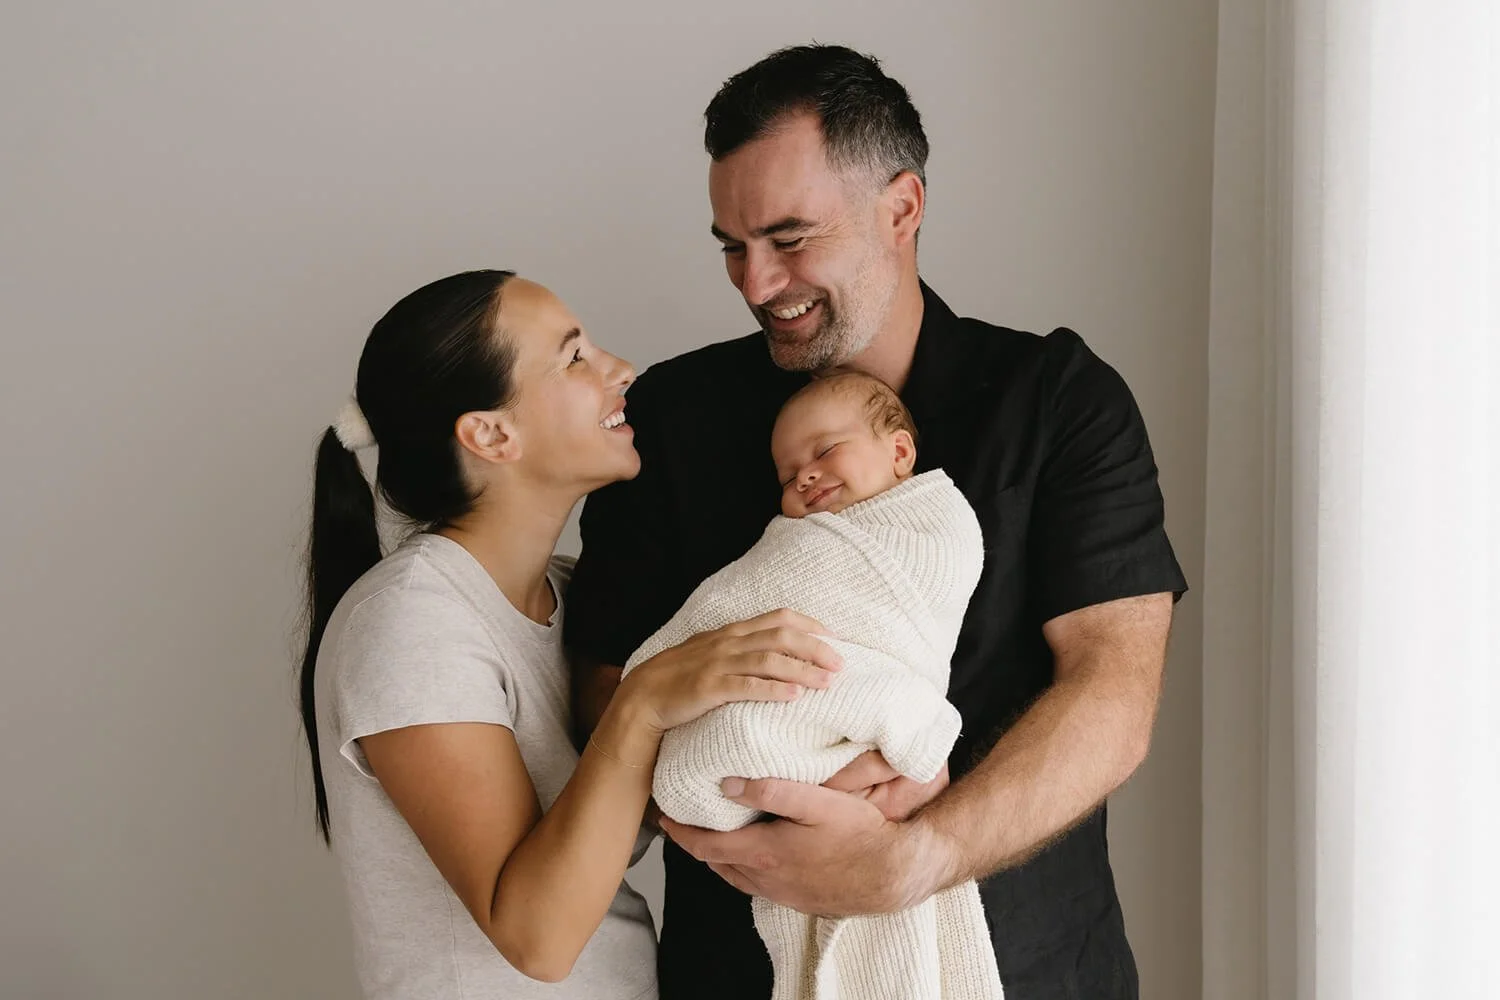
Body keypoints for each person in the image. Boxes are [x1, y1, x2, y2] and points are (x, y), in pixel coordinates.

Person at [564, 45, 1188, 1000]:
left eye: (789, 236)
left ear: (903, 209)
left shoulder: (1058, 399)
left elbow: (1113, 694)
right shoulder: (672, 417)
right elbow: (604, 696)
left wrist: (918, 856)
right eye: (733, 245)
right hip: (740, 972)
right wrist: (742, 799)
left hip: (1033, 970)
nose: (756, 282)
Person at [294, 269, 843, 1000]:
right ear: (491, 433)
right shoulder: (410, 620)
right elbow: (537, 938)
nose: (622, 371)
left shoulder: (574, 599)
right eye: (575, 357)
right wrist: (644, 703)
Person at [624, 371, 1005, 1000]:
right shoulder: (799, 546)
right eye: (786, 475)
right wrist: (659, 669)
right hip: (787, 716)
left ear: (900, 454)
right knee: (718, 747)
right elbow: (742, 597)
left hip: (860, 705)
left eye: (825, 451)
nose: (803, 476)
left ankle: (834, 772)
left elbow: (917, 621)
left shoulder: (940, 529)